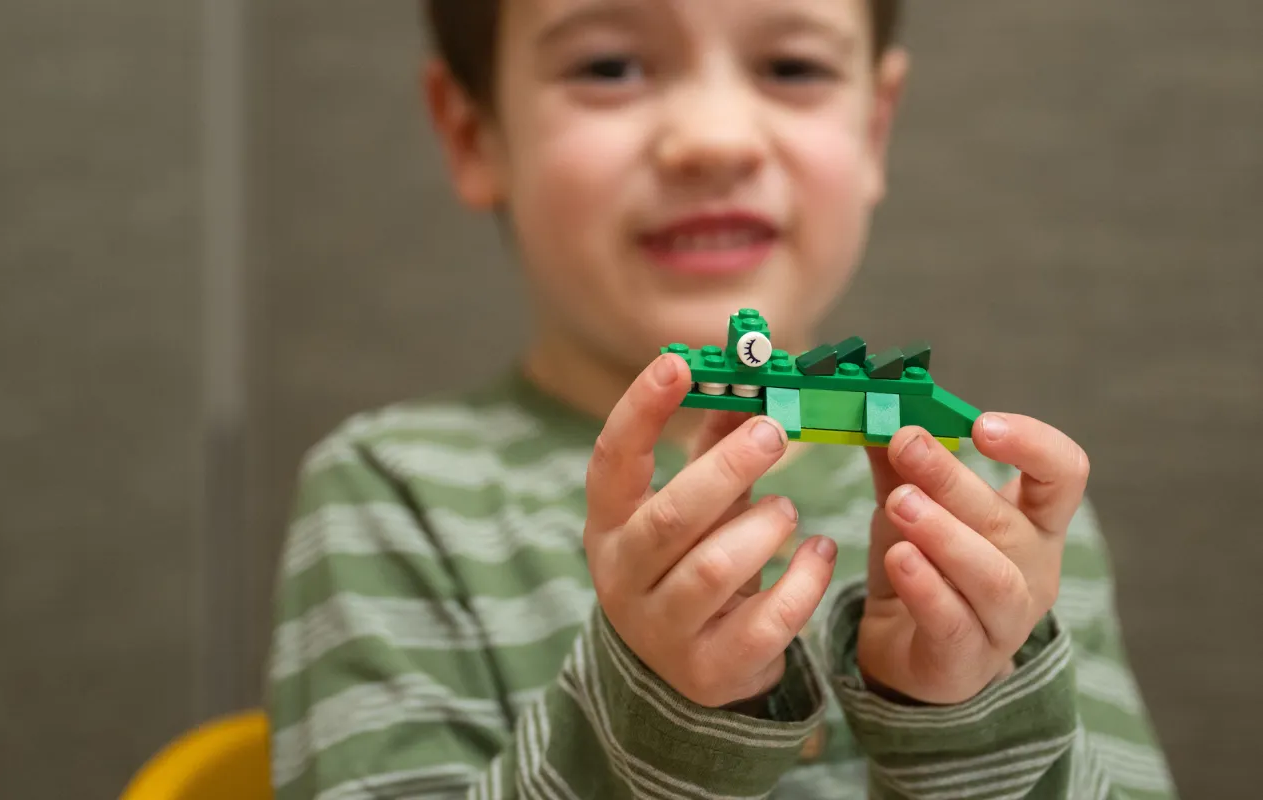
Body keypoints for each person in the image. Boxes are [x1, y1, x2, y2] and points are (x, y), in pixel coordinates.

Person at [264, 1, 1176, 797]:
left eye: (792, 66)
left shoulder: (1004, 512)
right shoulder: (395, 496)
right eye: (608, 66)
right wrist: (651, 714)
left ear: (873, 130)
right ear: (473, 135)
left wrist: (973, 713)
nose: (713, 138)